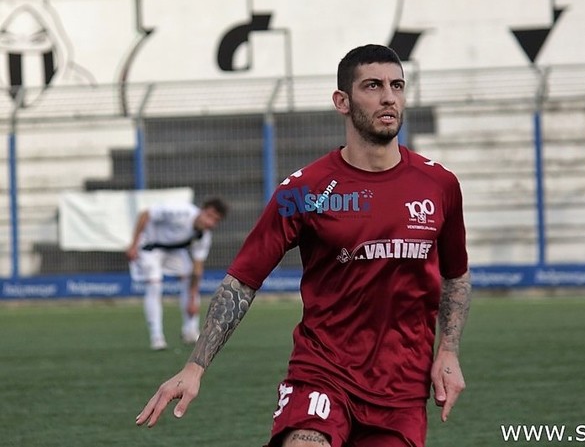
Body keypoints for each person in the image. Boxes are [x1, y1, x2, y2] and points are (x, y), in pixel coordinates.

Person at [136, 44, 472, 447]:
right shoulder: (304, 191)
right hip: (322, 373)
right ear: (342, 101)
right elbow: (241, 283)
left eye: (397, 86)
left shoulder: (440, 185)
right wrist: (195, 366)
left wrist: (448, 351)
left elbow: (455, 276)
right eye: (373, 85)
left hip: (401, 387)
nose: (388, 96)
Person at [126, 197, 228, 350]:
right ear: (202, 210)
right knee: (154, 284)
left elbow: (197, 269)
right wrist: (133, 245)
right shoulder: (180, 212)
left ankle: (190, 331)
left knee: (188, 275)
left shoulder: (203, 237)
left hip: (173, 251)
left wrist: (192, 299)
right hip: (149, 247)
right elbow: (145, 215)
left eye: (215, 220)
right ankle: (157, 337)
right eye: (209, 215)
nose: (210, 222)